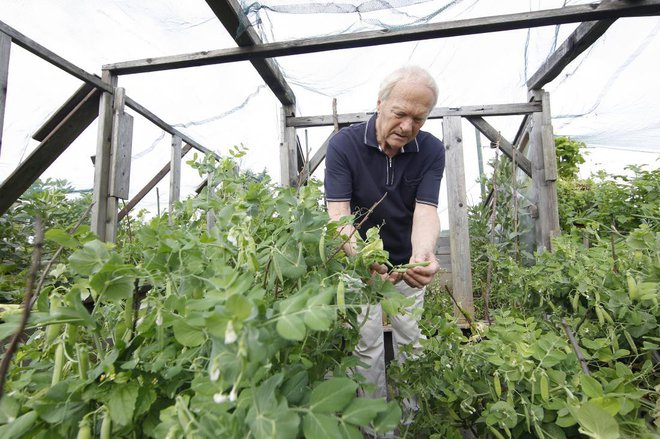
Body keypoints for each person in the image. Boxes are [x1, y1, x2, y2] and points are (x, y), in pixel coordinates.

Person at [324, 65, 445, 406]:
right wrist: (363, 258)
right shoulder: (344, 146)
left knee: (411, 338)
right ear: (380, 104)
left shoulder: (432, 151)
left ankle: (410, 422)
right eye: (400, 113)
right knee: (366, 344)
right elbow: (339, 214)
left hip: (408, 267)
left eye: (419, 119)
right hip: (359, 265)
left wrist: (423, 254)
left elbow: (426, 209)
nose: (408, 127)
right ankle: (376, 424)